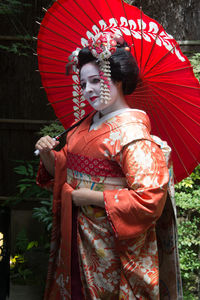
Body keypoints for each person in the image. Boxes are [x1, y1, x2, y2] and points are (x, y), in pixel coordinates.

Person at [36, 33, 182, 299]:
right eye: (83, 83)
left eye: (96, 81)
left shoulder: (133, 134)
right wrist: (49, 156)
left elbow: (149, 199)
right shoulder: (85, 124)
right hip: (77, 232)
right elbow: (67, 167)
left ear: (118, 80)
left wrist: (89, 197)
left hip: (110, 244)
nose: (88, 90)